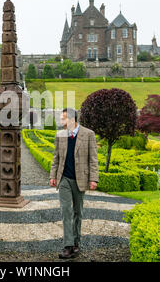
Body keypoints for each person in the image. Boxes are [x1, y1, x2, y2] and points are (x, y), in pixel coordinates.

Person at [50, 108, 99, 259]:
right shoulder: (60, 135)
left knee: (78, 211)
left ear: (72, 120)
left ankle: (76, 243)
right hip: (64, 178)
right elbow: (56, 157)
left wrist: (93, 178)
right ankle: (68, 245)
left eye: (63, 119)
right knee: (66, 211)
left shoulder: (88, 134)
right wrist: (53, 176)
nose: (61, 121)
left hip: (80, 179)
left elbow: (93, 158)